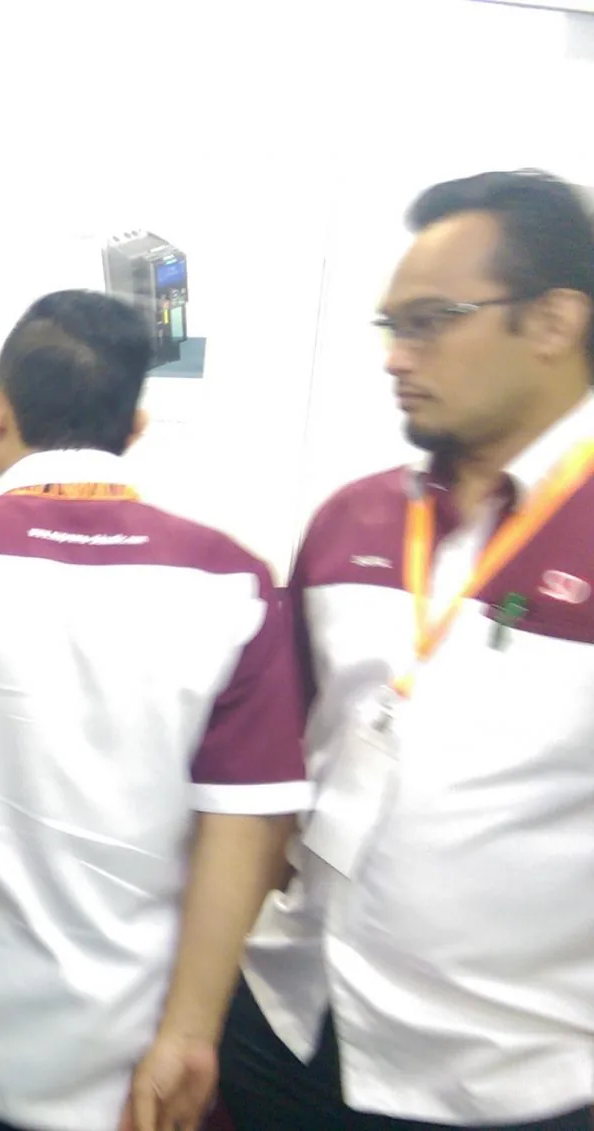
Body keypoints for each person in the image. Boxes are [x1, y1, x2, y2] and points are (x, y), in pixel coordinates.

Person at [0, 289, 308, 1131]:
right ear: (136, 427)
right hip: (143, 1060)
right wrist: (192, 1032)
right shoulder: (234, 580)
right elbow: (248, 828)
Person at [225, 170, 594, 1131]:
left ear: (554, 321)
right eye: (391, 326)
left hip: (504, 1075)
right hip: (287, 1021)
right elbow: (278, 773)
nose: (396, 356)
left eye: (431, 321)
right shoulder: (353, 520)